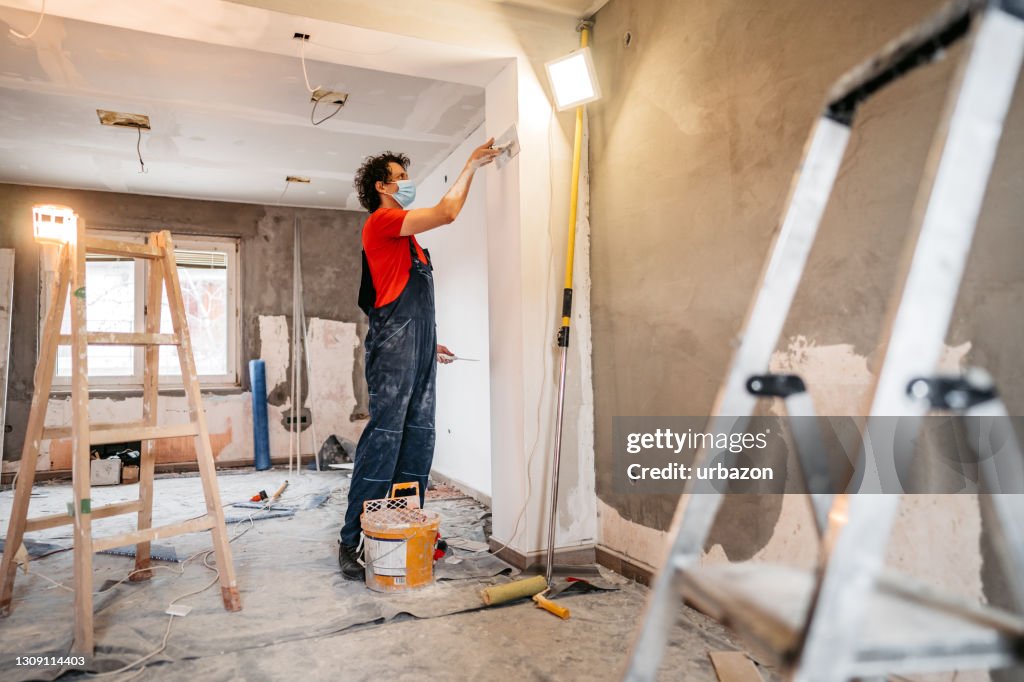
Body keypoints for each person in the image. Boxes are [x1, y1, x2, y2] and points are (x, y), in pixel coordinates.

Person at [339, 139, 501, 580]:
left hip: (417, 346)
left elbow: (409, 301)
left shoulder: (410, 243)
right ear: (382, 186)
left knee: (418, 439)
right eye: (401, 178)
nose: (407, 184)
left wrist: (430, 342)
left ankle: (406, 528)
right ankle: (354, 538)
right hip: (393, 349)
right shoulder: (383, 222)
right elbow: (448, 212)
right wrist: (471, 164)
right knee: (385, 439)